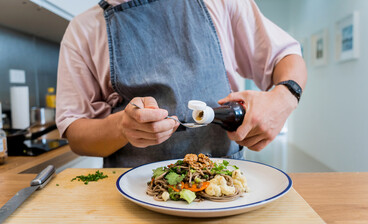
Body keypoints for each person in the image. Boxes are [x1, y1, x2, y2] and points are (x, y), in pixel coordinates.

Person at [56, 0, 307, 167]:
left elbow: (286, 57)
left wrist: (283, 99)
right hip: (135, 194)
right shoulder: (84, 30)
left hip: (224, 185)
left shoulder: (219, 2)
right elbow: (76, 134)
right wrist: (122, 127)